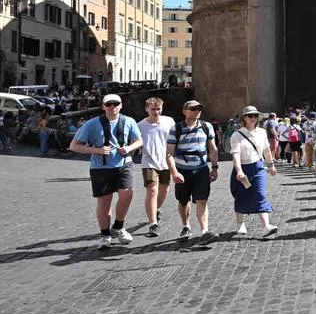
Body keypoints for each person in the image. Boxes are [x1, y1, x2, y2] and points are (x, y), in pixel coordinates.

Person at [69, 94, 143, 247]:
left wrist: (129, 147)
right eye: (109, 104)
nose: (112, 107)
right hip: (100, 167)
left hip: (124, 163)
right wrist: (97, 150)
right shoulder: (91, 124)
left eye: (116, 104)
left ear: (121, 105)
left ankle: (118, 226)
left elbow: (139, 140)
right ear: (103, 107)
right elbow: (74, 146)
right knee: (104, 201)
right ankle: (105, 235)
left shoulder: (129, 121)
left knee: (127, 193)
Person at [167, 99, 220, 243]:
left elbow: (213, 148)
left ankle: (204, 231)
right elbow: (169, 153)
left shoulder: (206, 126)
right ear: (185, 111)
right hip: (182, 170)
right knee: (183, 201)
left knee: (202, 199)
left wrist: (214, 168)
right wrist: (174, 172)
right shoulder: (176, 129)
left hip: (201, 169)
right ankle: (186, 226)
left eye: (199, 109)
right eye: (193, 109)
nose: (197, 111)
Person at [229, 106, 279, 236]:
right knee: (241, 195)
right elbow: (236, 154)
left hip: (258, 167)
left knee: (260, 194)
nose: (253, 118)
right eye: (250, 116)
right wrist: (239, 170)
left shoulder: (262, 132)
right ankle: (240, 224)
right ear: (244, 118)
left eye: (255, 116)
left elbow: (266, 150)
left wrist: (271, 165)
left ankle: (266, 226)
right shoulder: (237, 135)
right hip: (243, 168)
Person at [138, 97, 176, 237]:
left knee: (165, 189)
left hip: (166, 161)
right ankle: (153, 223)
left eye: (158, 109)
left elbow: (175, 139)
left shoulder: (169, 121)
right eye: (153, 109)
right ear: (147, 109)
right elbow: (135, 142)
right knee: (152, 191)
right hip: (149, 162)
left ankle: (157, 209)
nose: (156, 112)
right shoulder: (140, 125)